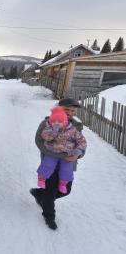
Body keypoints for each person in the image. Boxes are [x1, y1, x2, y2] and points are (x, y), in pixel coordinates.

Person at [30, 98, 86, 230]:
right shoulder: (47, 123)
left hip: (68, 165)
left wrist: (78, 154)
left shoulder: (76, 126)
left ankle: (39, 195)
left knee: (66, 191)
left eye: (73, 110)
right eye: (67, 109)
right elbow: (39, 142)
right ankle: (49, 216)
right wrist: (60, 154)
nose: (70, 113)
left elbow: (80, 144)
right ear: (59, 108)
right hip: (51, 164)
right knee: (50, 192)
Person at [37, 106, 87, 194]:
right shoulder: (49, 128)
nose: (57, 123)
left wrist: (77, 152)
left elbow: (82, 141)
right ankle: (41, 178)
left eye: (60, 121)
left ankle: (63, 183)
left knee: (67, 169)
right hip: (53, 150)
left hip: (68, 153)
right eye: (54, 121)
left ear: (65, 121)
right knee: (47, 164)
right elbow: (45, 137)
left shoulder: (72, 130)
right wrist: (54, 131)